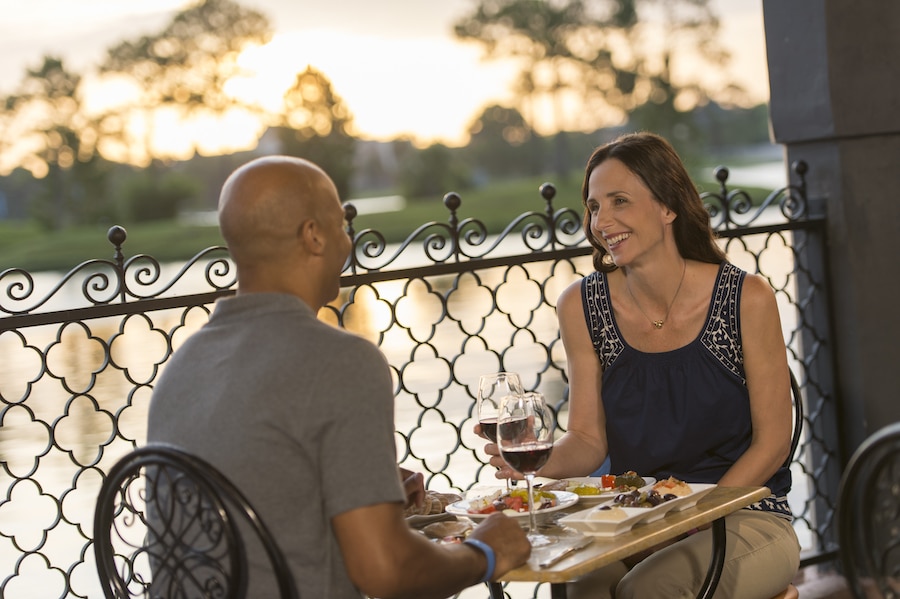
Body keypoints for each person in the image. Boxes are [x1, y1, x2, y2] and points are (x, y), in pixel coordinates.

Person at [148, 155, 530, 599]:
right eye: (341, 224)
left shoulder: (181, 367)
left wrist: (365, 480)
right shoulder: (341, 360)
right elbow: (386, 573)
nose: (348, 242)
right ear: (314, 236)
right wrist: (484, 552)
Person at [483, 132, 800, 598]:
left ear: (668, 207)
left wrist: (694, 516)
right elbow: (589, 441)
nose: (602, 221)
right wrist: (539, 460)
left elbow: (772, 444)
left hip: (744, 514)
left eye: (619, 202)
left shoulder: (745, 298)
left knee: (649, 590)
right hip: (636, 518)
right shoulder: (581, 306)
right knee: (578, 589)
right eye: (594, 206)